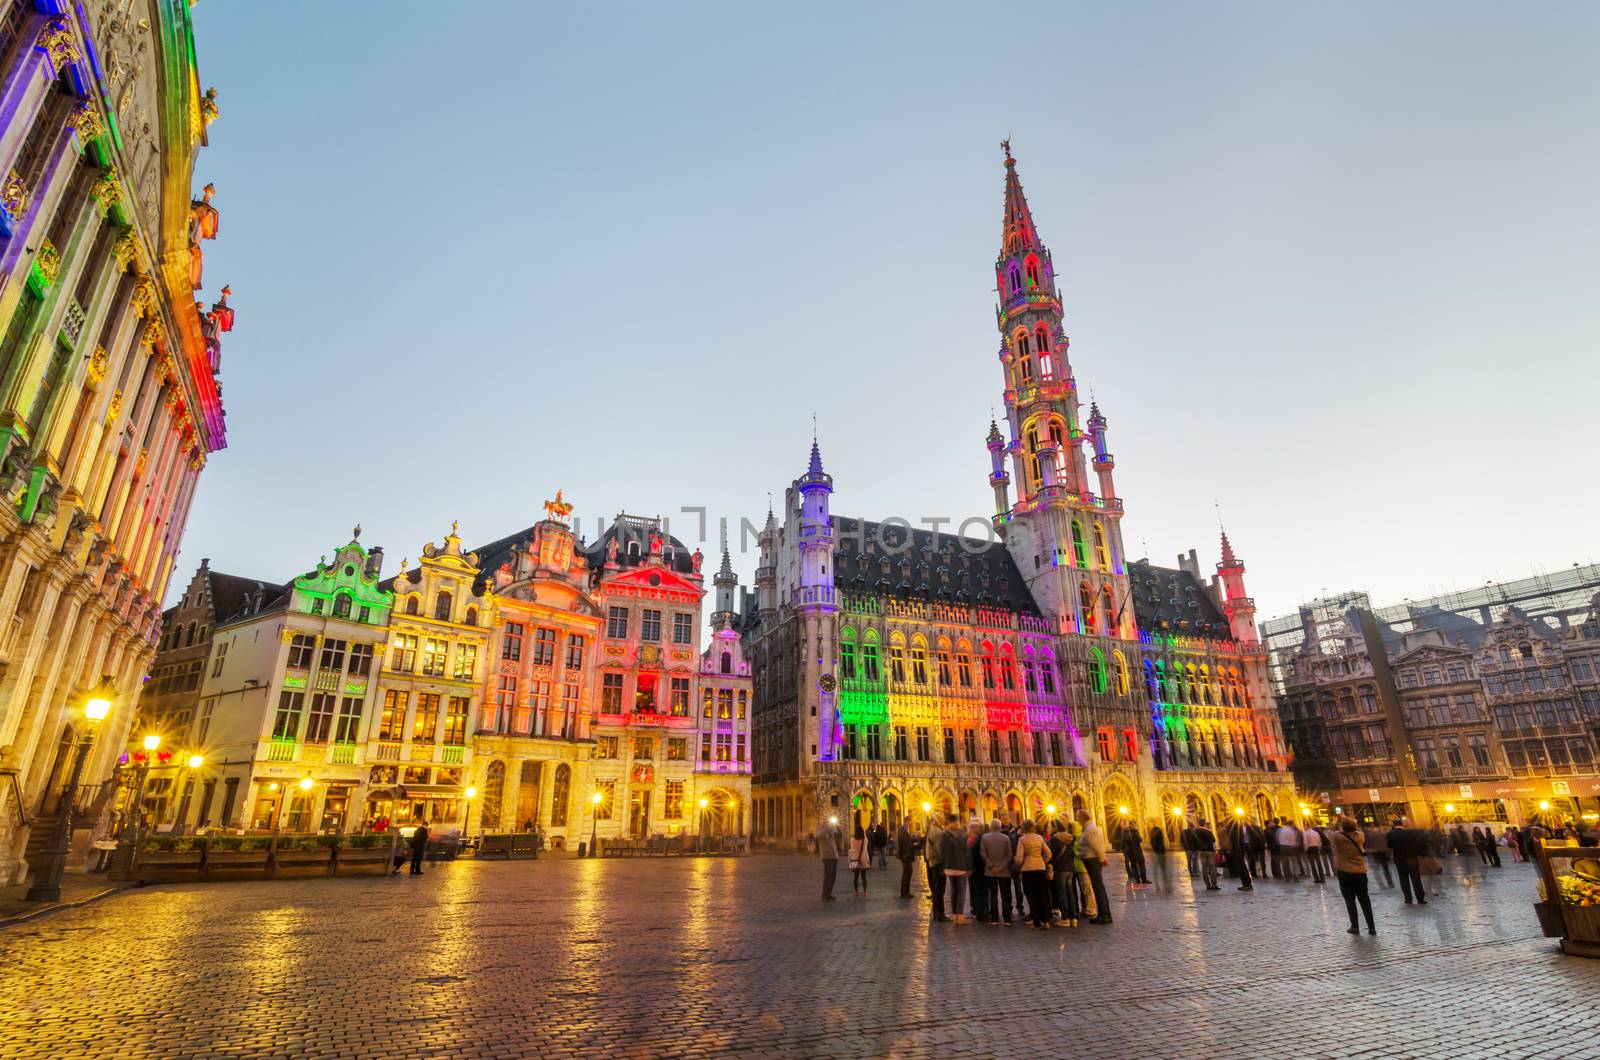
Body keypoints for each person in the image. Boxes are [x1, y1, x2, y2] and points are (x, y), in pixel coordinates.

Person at [1331, 817, 1376, 935]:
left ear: (1342, 827)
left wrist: (1335, 822)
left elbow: (1331, 833)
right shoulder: (1360, 836)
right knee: (1365, 900)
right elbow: (1358, 830)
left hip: (1345, 872)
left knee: (1350, 900)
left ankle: (1355, 926)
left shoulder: (1338, 837)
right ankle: (1372, 927)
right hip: (1360, 872)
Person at [1076, 809, 1112, 924]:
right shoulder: (1088, 828)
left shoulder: (1090, 829)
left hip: (1093, 861)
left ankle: (1104, 915)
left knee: (1098, 888)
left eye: (1078, 817)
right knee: (1097, 888)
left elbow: (1097, 846)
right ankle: (1103, 914)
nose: (1077, 819)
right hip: (1090, 861)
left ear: (1082, 817)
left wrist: (1102, 859)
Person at [1015, 819, 1053, 929]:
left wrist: (1019, 865)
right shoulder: (1040, 838)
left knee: (1031, 895)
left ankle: (1036, 921)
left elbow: (1019, 857)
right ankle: (1045, 921)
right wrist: (1043, 860)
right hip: (1040, 868)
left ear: (1023, 828)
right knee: (1042, 894)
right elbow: (1048, 853)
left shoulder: (1022, 839)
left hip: (1027, 870)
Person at [979, 819, 1014, 925]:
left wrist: (991, 865)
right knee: (1005, 895)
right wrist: (1002, 867)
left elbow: (983, 853)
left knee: (993, 895)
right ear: (1000, 827)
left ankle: (994, 918)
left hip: (990, 872)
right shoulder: (1006, 838)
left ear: (990, 827)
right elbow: (1009, 854)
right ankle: (1007, 918)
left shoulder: (984, 838)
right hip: (1004, 872)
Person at [939, 814, 973, 923]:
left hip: (949, 866)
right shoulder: (962, 833)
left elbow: (942, 852)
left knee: (954, 891)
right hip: (961, 866)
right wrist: (969, 867)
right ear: (956, 822)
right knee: (961, 891)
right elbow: (966, 852)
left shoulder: (944, 834)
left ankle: (954, 915)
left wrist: (943, 867)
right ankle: (960, 916)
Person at [1388, 818, 1426, 905]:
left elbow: (1389, 845)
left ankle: (1408, 899)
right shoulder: (1410, 832)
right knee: (1416, 879)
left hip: (1399, 859)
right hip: (1411, 858)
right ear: (1402, 824)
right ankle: (1420, 899)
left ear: (1393, 825)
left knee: (1403, 879)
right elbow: (1418, 843)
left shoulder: (1391, 834)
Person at [1048, 819, 1080, 926]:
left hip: (1060, 869)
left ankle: (1065, 918)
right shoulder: (1070, 837)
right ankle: (1073, 918)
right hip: (1070, 868)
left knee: (1062, 894)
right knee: (1070, 893)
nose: (1049, 828)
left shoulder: (1055, 838)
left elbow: (1050, 854)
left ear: (1054, 827)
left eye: (1050, 826)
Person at [925, 813, 948, 922]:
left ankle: (936, 912)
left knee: (936, 888)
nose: (944, 820)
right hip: (938, 862)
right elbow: (941, 850)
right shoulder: (938, 832)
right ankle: (940, 913)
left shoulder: (931, 828)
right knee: (939, 889)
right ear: (938, 819)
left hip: (933, 861)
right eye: (943, 818)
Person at [816, 816, 844, 901]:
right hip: (827, 856)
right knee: (828, 876)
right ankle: (824, 895)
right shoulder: (821, 829)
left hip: (834, 855)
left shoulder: (832, 829)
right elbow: (818, 835)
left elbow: (839, 834)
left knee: (833, 876)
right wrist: (826, 828)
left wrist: (836, 827)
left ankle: (829, 893)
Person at [895, 819, 920, 899]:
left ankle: (904, 892)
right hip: (906, 855)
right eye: (910, 822)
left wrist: (913, 840)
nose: (910, 824)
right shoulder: (904, 831)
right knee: (907, 873)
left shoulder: (903, 830)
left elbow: (907, 842)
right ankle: (905, 893)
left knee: (906, 873)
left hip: (905, 855)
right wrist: (914, 844)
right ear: (907, 822)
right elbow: (906, 844)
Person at [1194, 818, 1219, 890]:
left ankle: (1208, 885)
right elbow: (1213, 840)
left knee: (1204, 868)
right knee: (1212, 868)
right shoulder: (1208, 831)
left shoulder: (1195, 832)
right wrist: (1215, 849)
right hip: (1209, 851)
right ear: (1204, 823)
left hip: (1201, 851)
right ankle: (1214, 885)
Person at [1121, 821, 1148, 885]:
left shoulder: (1125, 831)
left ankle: (1138, 880)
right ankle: (1144, 879)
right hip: (1137, 851)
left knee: (1133, 866)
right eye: (1134, 824)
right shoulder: (1135, 831)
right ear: (1133, 825)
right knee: (1141, 864)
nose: (1135, 825)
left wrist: (1124, 851)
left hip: (1130, 852)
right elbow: (1139, 840)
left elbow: (1123, 842)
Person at [848, 824, 870, 896]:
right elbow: (866, 848)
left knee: (856, 876)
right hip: (863, 859)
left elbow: (852, 848)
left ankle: (856, 892)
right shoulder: (865, 839)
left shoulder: (852, 839)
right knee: (864, 876)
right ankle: (865, 892)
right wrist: (864, 834)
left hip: (855, 859)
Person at [1149, 824, 1171, 890]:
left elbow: (1153, 846)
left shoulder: (1152, 838)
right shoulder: (1160, 838)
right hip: (1161, 854)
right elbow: (1161, 847)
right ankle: (1166, 883)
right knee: (1163, 870)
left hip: (1155, 854)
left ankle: (1157, 885)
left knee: (1155, 870)